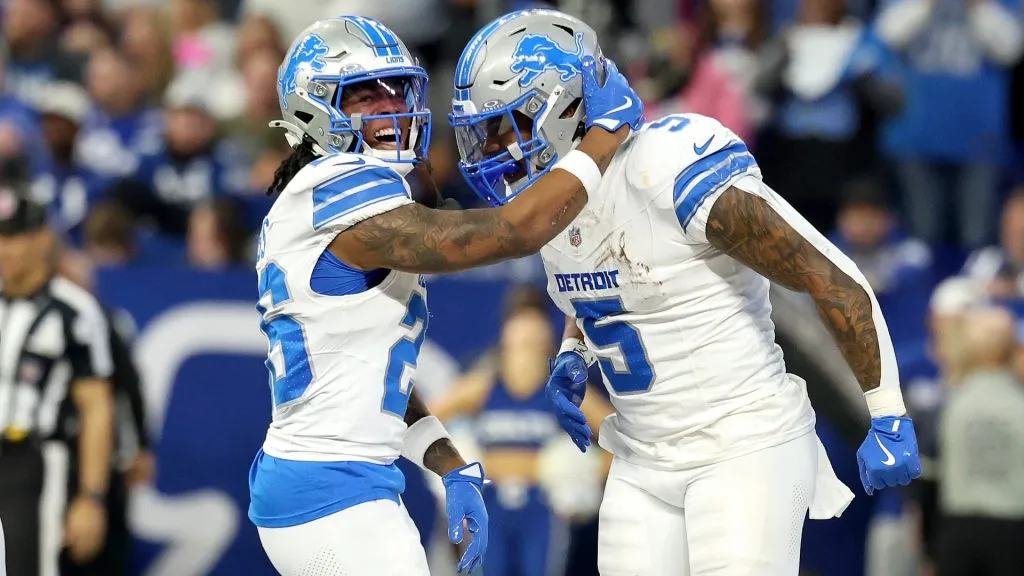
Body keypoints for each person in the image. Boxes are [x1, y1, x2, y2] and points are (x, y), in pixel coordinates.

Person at [449, 9, 921, 576]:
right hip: (641, 456)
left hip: (743, 447)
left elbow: (827, 275)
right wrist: (574, 351)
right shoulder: (555, 200)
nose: (493, 147)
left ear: (562, 106)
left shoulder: (667, 165)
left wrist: (887, 411)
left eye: (506, 125)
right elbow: (599, 280)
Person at [247, 15, 643, 576]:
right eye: (364, 98)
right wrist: (605, 134)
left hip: (323, 480)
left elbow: (367, 383)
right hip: (331, 494)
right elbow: (509, 233)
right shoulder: (338, 186)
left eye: (395, 91)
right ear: (315, 110)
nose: (390, 109)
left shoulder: (317, 196)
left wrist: (448, 461)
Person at [430, 285, 613, 576]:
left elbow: (622, 438)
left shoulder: (566, 391)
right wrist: (457, 467)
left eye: (533, 342)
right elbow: (425, 423)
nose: (525, 349)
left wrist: (585, 471)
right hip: (489, 510)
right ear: (504, 340)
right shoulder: (483, 386)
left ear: (548, 341)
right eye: (519, 344)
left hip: (543, 513)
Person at [0, 188, 115, 576]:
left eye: (14, 237)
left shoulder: (74, 310)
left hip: (33, 464)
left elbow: (97, 407)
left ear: (42, 240)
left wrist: (91, 497)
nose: (4, 249)